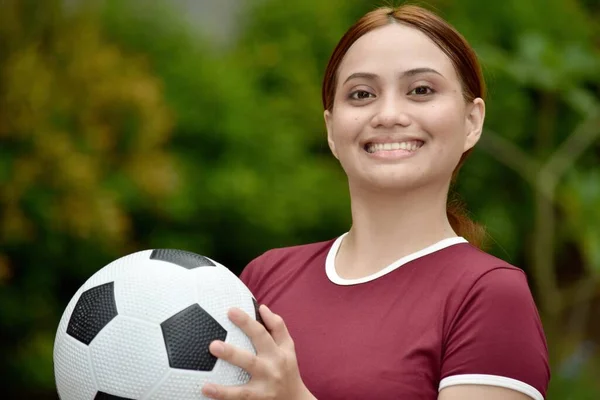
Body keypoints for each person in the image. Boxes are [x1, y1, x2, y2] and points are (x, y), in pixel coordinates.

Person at [202, 4, 550, 400]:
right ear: (332, 129)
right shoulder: (266, 275)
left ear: (472, 121)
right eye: (362, 94)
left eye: (421, 90)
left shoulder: (489, 294)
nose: (388, 114)